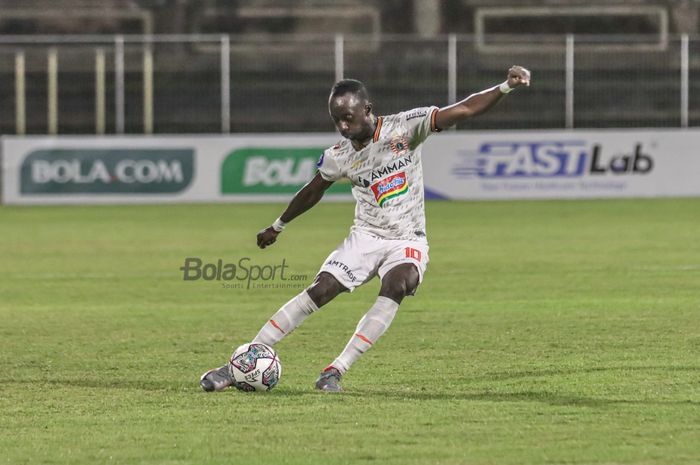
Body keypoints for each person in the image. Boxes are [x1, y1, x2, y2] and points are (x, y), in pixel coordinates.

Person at [201, 65, 531, 392]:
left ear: (367, 109)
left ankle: (335, 370)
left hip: (407, 239)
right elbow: (313, 190)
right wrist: (278, 226)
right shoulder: (339, 156)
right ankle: (237, 367)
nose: (343, 126)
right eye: (336, 120)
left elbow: (463, 110)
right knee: (322, 290)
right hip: (365, 238)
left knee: (399, 284)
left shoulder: (404, 128)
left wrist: (505, 87)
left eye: (348, 118)